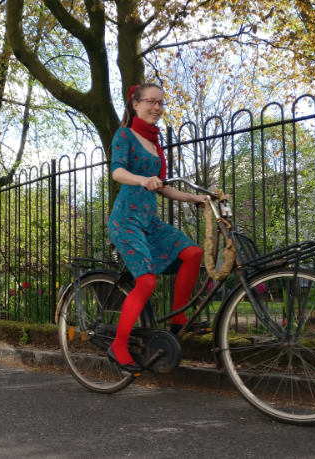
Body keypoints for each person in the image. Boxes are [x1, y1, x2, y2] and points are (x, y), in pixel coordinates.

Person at [107, 83, 206, 373]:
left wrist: (195, 198)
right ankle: (119, 345)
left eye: (161, 103)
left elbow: (162, 188)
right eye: (151, 102)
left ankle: (176, 327)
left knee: (193, 253)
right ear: (135, 104)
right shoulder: (124, 135)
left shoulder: (155, 145)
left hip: (149, 222)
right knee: (147, 282)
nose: (157, 108)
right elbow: (117, 172)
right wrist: (140, 179)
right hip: (126, 220)